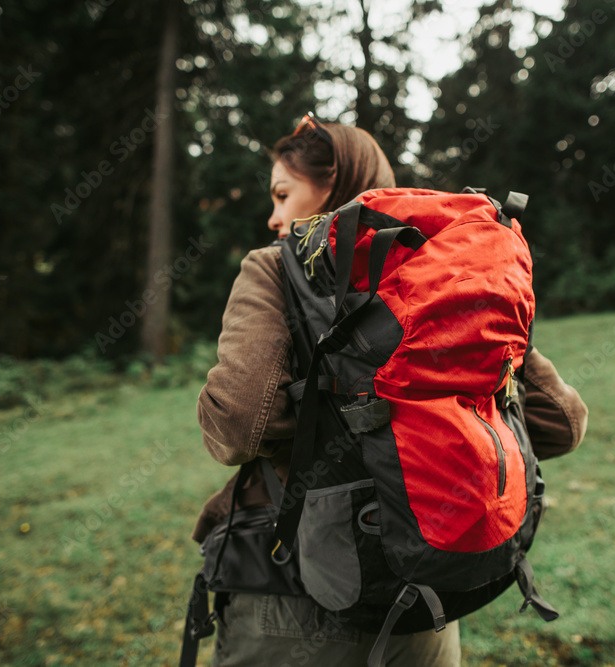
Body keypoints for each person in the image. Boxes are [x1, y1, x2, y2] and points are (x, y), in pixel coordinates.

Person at [192, 113, 589, 666]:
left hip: (293, 602)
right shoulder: (453, 278)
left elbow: (238, 425)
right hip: (424, 596)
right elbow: (561, 424)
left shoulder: (275, 268)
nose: (273, 216)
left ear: (332, 186)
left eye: (283, 195)